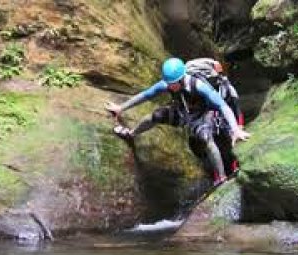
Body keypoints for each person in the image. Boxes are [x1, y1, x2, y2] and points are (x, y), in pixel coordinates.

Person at [105, 57, 250, 186]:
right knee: (156, 116)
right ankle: (132, 134)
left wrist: (236, 130)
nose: (169, 86)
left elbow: (222, 105)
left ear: (181, 79)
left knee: (206, 138)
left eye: (173, 83)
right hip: (182, 112)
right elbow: (145, 95)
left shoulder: (197, 86)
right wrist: (120, 108)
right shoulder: (167, 83)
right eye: (168, 83)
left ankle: (222, 177)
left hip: (203, 115)